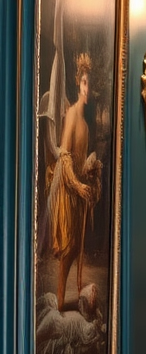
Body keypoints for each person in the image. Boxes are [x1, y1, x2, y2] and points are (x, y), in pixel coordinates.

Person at [46, 53, 102, 311]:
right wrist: (77, 185)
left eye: (90, 85)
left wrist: (91, 176)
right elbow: (65, 157)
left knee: (77, 247)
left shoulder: (88, 128)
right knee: (68, 249)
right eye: (84, 84)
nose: (87, 89)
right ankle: (58, 302)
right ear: (78, 84)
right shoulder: (70, 116)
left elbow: (82, 162)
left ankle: (70, 300)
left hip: (78, 190)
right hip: (67, 189)